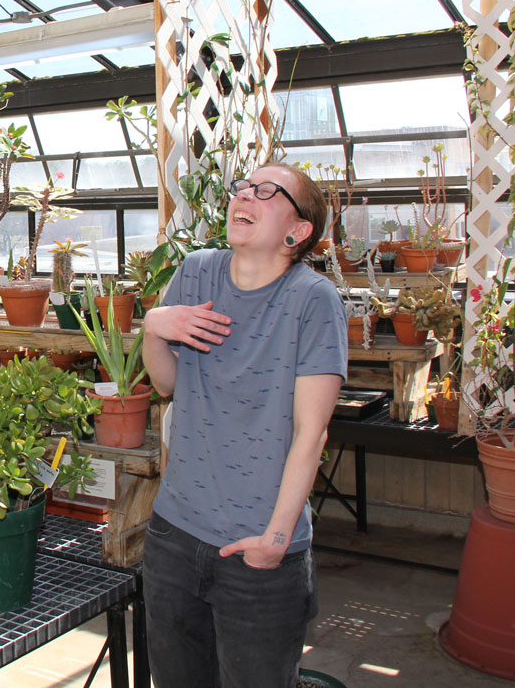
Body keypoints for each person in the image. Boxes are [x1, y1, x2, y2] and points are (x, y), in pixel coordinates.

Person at [140, 162, 346, 687]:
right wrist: (154, 329)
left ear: (297, 232)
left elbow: (312, 433)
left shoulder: (312, 300)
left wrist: (275, 539)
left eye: (266, 191)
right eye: (242, 187)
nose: (244, 196)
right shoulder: (197, 271)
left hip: (259, 552)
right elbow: (167, 385)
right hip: (174, 536)